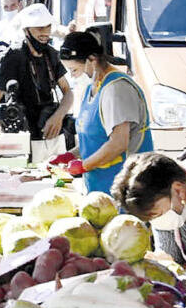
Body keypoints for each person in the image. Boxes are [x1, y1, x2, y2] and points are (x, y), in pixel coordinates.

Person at [55, 31, 153, 194]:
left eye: (74, 70)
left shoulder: (117, 89)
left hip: (125, 187)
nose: (72, 77)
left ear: (92, 60)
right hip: (99, 185)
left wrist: (84, 166)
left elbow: (118, 143)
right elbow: (95, 139)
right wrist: (71, 156)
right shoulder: (91, 89)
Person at [0, 4, 74, 146]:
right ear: (26, 30)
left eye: (48, 27)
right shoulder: (13, 56)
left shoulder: (51, 55)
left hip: (47, 130)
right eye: (40, 28)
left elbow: (68, 92)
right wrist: (1, 135)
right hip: (20, 131)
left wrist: (58, 116)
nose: (45, 33)